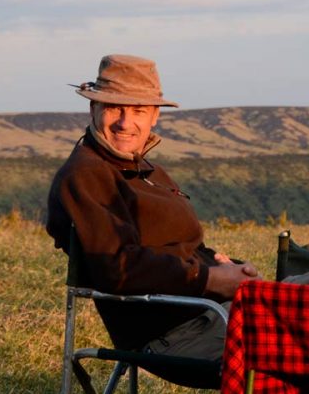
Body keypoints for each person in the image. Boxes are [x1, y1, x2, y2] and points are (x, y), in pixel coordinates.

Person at [46, 54, 260, 363]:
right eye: (114, 107)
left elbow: (178, 246)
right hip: (175, 333)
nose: (125, 122)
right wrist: (210, 279)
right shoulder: (87, 175)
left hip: (207, 311)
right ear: (93, 108)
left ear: (154, 116)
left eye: (138, 111)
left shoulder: (147, 171)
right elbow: (118, 266)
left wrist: (223, 266)